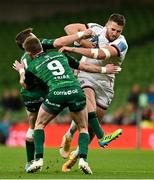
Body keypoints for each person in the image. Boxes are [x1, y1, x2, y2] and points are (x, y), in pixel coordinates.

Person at [14, 32, 120, 174]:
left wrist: (21, 71)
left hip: (43, 92)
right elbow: (77, 61)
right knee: (83, 125)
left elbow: (25, 84)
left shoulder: (31, 63)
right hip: (71, 90)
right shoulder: (58, 54)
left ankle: (35, 160)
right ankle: (85, 156)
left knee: (36, 126)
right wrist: (103, 68)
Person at [59, 13, 128, 172]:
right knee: (88, 103)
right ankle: (82, 136)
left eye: (118, 31)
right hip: (85, 73)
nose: (115, 33)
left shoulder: (122, 43)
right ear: (106, 25)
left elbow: (101, 54)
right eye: (113, 29)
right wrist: (83, 39)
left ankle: (76, 154)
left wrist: (76, 47)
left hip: (105, 80)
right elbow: (69, 28)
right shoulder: (95, 29)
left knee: (91, 125)